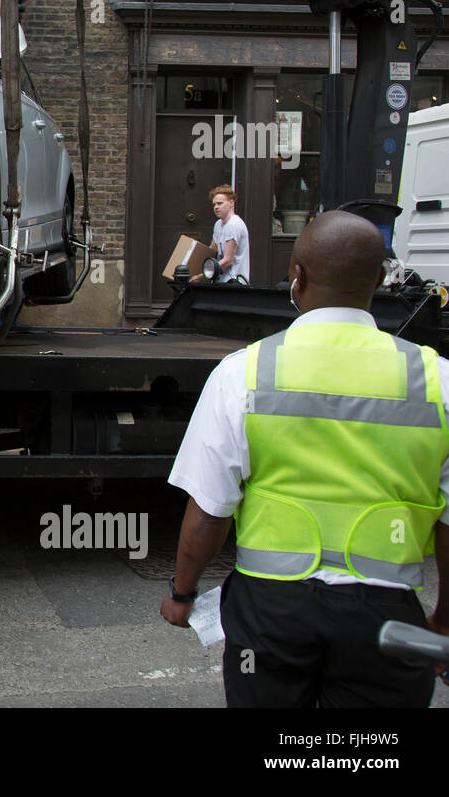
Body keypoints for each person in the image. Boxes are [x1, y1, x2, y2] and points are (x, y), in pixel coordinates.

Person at [160, 210, 449, 707]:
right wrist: (443, 623)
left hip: (270, 612)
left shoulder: (243, 372)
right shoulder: (436, 379)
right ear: (379, 281)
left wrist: (183, 593)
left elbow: (209, 511)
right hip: (387, 617)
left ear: (297, 277)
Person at [208, 185, 248, 283]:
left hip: (233, 282)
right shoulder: (218, 224)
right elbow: (212, 249)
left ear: (231, 203)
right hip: (220, 281)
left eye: (220, 203)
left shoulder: (233, 224)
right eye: (214, 204)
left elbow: (228, 260)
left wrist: (202, 275)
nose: (216, 207)